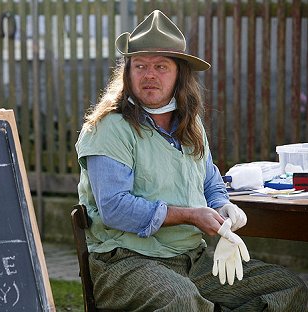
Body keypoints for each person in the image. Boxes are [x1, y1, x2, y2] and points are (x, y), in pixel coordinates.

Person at [75, 10, 308, 311]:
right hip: (125, 263)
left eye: (161, 66)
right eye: (140, 66)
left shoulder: (190, 124)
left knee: (289, 288)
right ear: (127, 73)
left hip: (192, 260)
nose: (149, 75)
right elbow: (115, 209)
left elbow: (209, 179)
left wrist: (223, 204)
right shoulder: (109, 128)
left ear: (180, 74)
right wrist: (190, 215)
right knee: (182, 300)